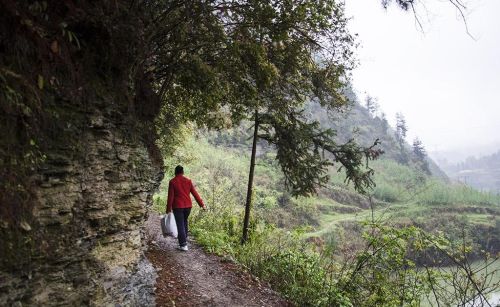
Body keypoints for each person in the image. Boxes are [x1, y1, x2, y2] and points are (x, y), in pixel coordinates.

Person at [166, 165, 206, 251]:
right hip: (188, 206)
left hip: (178, 206)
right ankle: (184, 240)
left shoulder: (172, 182)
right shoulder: (188, 181)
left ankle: (183, 245)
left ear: (175, 172)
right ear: (183, 172)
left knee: (180, 225)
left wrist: (168, 210)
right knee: (184, 222)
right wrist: (202, 205)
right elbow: (195, 193)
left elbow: (170, 197)